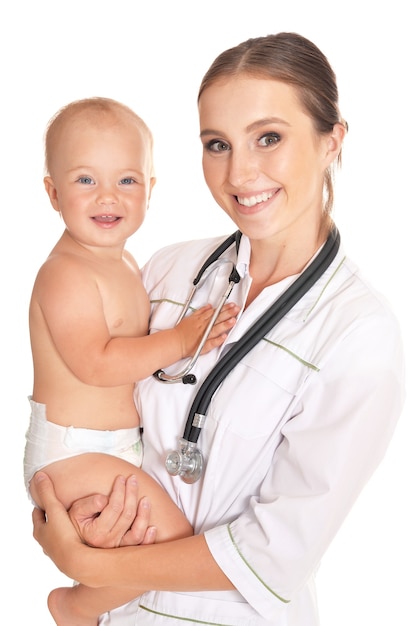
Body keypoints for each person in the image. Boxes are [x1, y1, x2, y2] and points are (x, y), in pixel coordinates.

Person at [32, 32, 405, 626]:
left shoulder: (359, 335)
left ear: (331, 140)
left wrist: (95, 569)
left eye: (269, 138)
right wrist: (69, 518)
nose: (240, 171)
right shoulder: (167, 271)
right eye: (217, 144)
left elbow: (275, 553)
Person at [25, 97, 239, 625]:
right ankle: (75, 605)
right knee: (168, 546)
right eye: (84, 181)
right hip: (73, 450)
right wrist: (183, 340)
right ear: (52, 193)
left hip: (114, 448)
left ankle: (94, 597)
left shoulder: (125, 261)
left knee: (144, 545)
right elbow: (96, 364)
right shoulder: (66, 274)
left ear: (151, 188)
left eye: (127, 181)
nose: (107, 197)